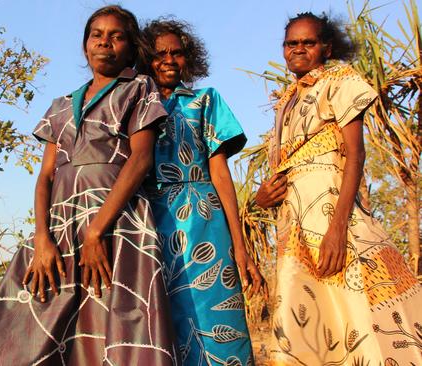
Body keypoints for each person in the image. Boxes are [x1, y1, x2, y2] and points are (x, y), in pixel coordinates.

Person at [0, 5, 179, 366]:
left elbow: (141, 159)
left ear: (130, 48)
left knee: (117, 314)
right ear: (85, 46)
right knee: (31, 318)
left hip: (117, 221)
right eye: (97, 35)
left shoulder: (138, 88)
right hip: (62, 222)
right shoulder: (60, 106)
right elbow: (46, 176)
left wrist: (96, 233)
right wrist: (41, 238)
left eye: (117, 36)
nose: (105, 42)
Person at [256, 12, 422, 364]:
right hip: (295, 223)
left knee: (358, 306)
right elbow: (285, 166)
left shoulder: (340, 80)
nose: (298, 49)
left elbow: (356, 155)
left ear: (326, 48)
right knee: (313, 318)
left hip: (332, 213)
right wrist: (263, 197)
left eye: (308, 42)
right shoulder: (286, 100)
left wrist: (338, 227)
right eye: (291, 43)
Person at [140, 19, 264, 366]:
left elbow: (220, 173)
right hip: (149, 223)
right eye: (159, 53)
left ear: (188, 59)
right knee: (160, 322)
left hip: (204, 220)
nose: (168, 60)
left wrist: (240, 246)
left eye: (177, 53)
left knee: (215, 313)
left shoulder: (204, 101)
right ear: (145, 58)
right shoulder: (132, 105)